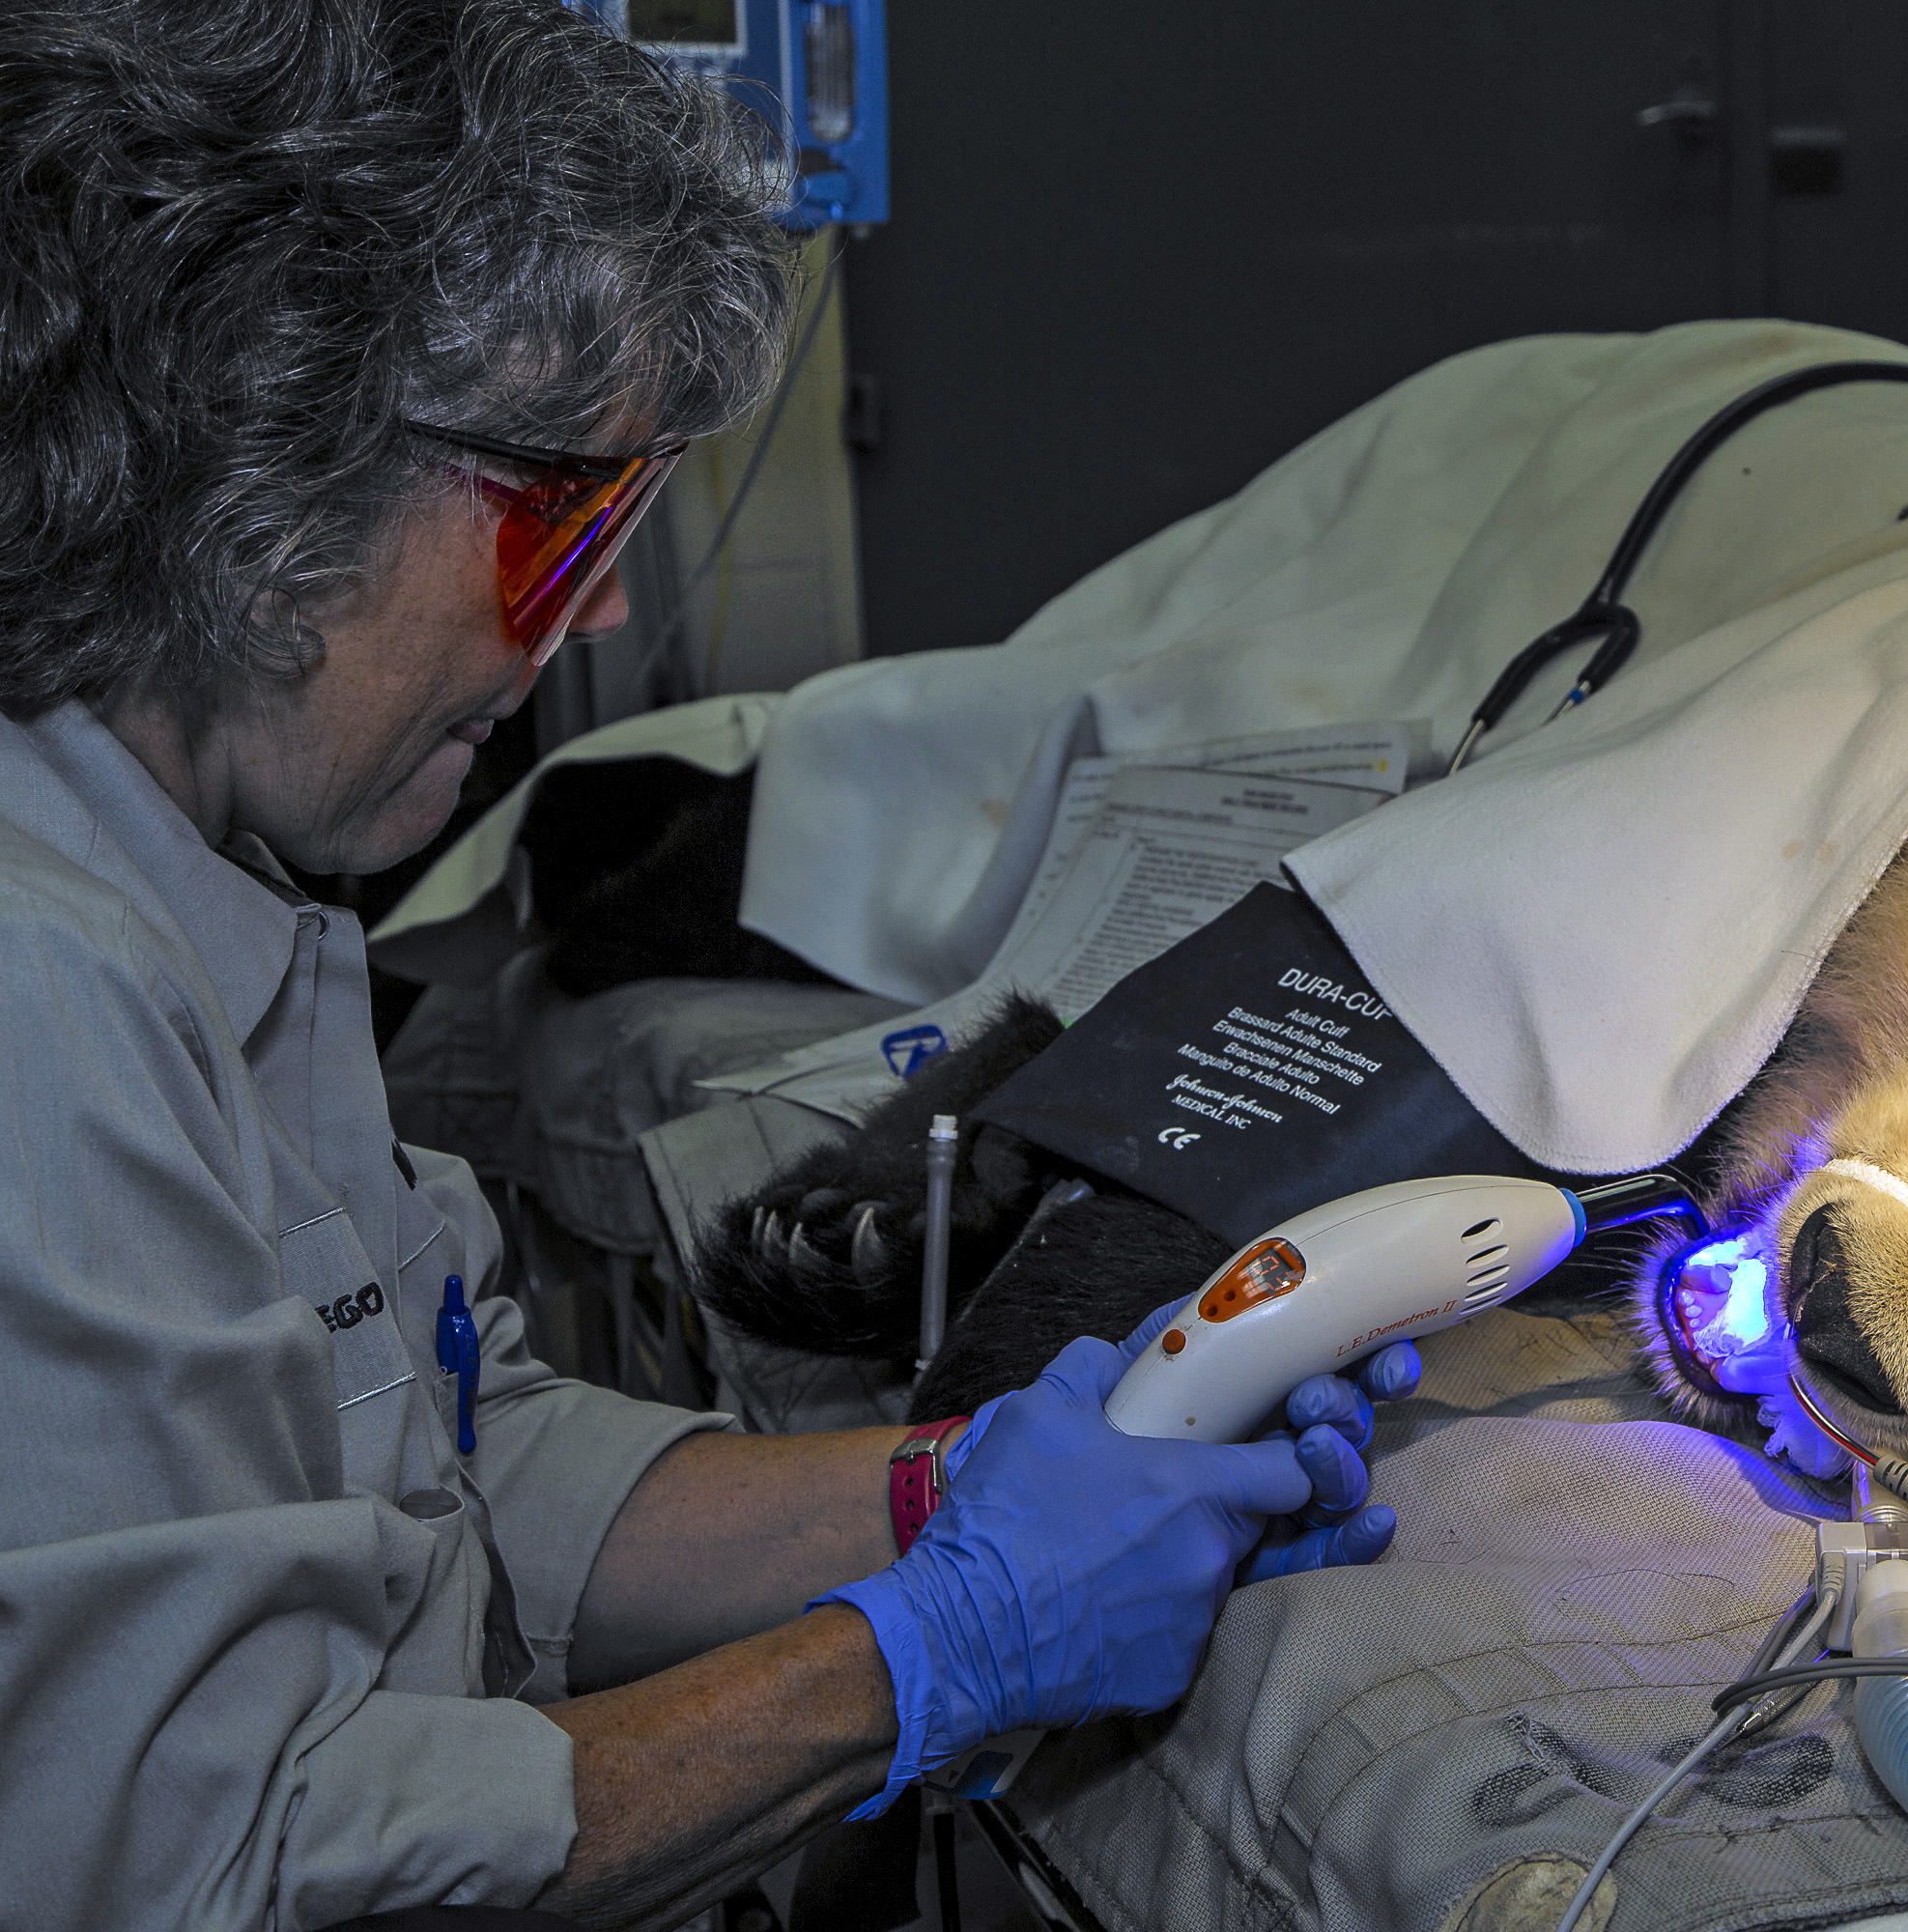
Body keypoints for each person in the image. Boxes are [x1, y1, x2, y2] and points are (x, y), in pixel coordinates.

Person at [0, 3, 1416, 1925]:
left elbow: (467, 1469)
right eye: (555, 512)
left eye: (624, 517)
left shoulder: (215, 878)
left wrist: (967, 1489)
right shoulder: (42, 1001)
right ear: (261, 465)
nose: (588, 614)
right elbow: (220, 1870)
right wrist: (937, 1652)